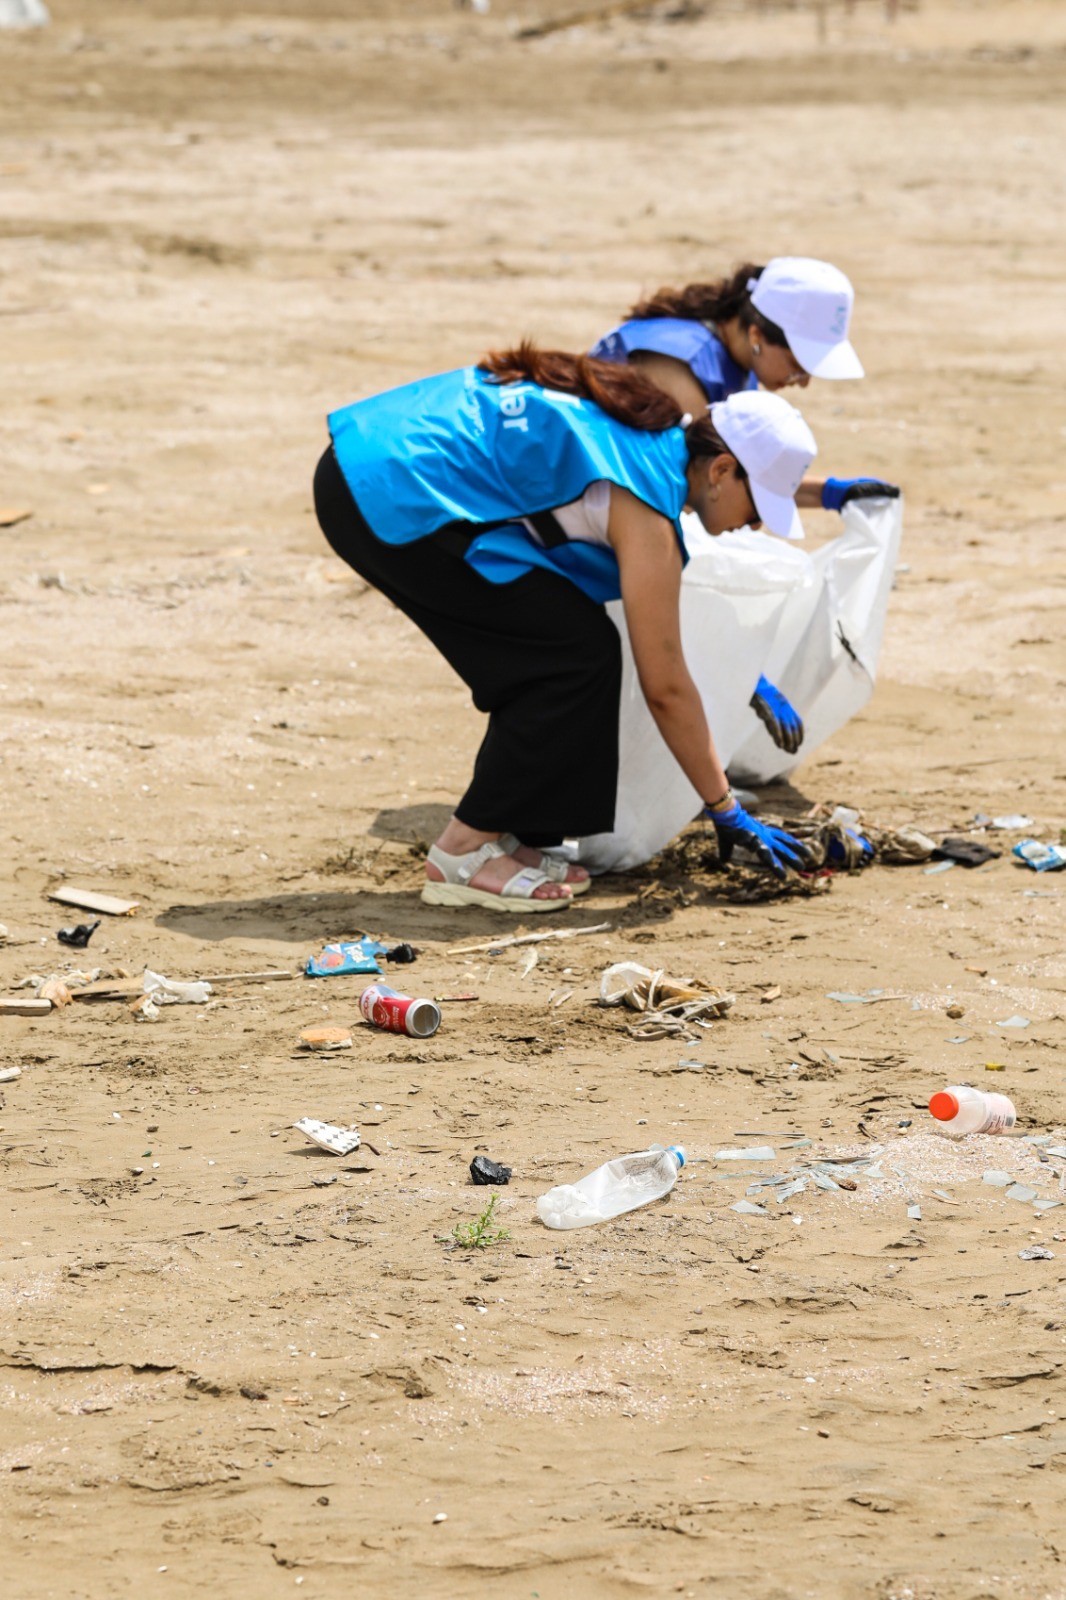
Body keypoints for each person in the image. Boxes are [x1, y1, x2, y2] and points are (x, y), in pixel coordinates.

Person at [314, 348, 817, 913]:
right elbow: (666, 687)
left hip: (374, 454)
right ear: (722, 470)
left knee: (581, 647)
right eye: (759, 508)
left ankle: (523, 835)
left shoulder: (654, 432)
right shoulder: (648, 505)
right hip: (382, 486)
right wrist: (725, 808)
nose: (756, 525)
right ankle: (463, 852)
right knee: (565, 660)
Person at [592, 256, 899, 755]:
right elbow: (688, 507)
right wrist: (739, 665)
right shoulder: (678, 370)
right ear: (758, 332)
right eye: (801, 361)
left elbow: (728, 476)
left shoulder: (726, 358)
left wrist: (827, 493)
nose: (804, 380)